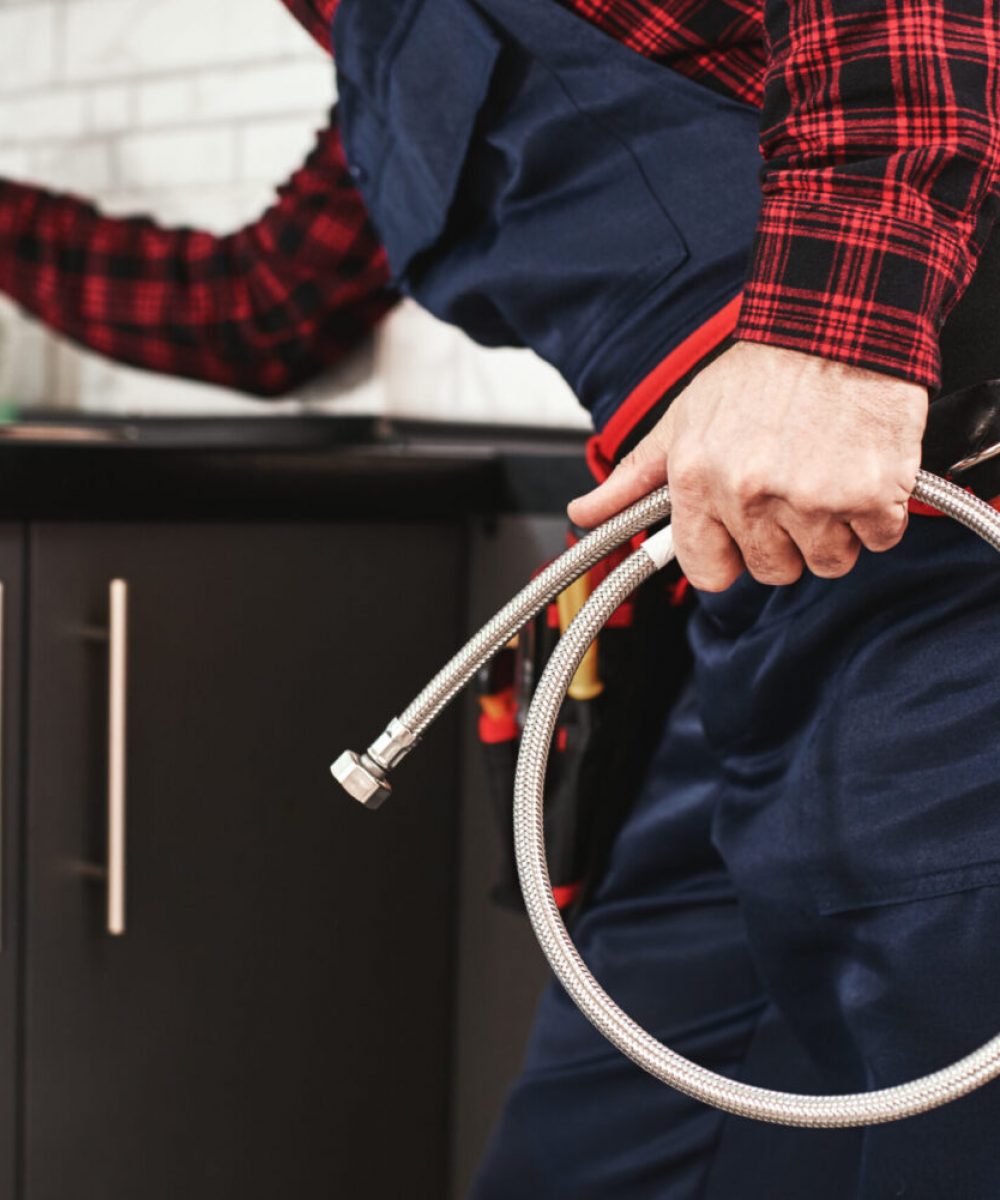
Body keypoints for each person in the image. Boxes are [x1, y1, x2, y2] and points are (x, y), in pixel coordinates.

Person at [4, 0, 1000, 1194]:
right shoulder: (377, 52)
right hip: (749, 618)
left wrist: (835, 339)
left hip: (944, 556)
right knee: (592, 1153)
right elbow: (263, 308)